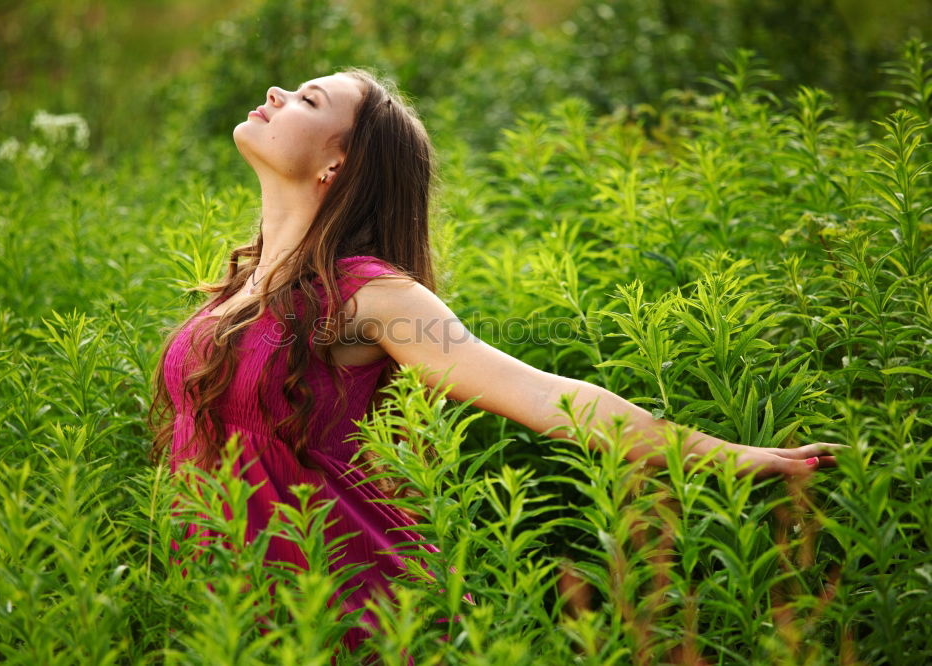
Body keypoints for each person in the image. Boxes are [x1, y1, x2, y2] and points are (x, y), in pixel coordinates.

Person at [148, 68, 842, 654]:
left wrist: (729, 454)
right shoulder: (240, 288)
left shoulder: (370, 294)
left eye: (307, 100)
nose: (275, 93)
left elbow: (550, 399)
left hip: (349, 623)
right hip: (228, 616)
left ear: (339, 164)